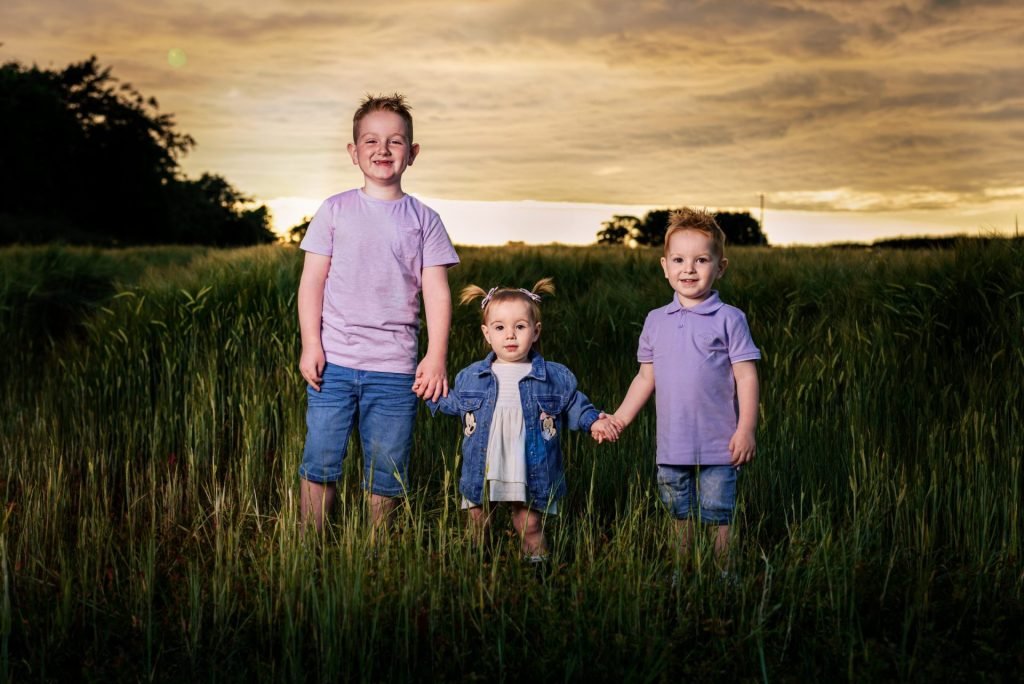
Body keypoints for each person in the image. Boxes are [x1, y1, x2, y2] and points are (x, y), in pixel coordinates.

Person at [297, 93, 459, 532]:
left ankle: (376, 552)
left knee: (387, 469)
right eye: (370, 141)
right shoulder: (335, 210)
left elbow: (437, 293)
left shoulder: (425, 220)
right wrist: (311, 343)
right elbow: (312, 282)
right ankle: (307, 543)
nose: (382, 150)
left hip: (395, 369)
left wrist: (435, 355)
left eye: (395, 141)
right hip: (333, 364)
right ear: (354, 152)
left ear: (413, 153)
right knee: (321, 460)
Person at [603, 208, 760, 564]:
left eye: (701, 260)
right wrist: (619, 420)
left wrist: (746, 429)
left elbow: (746, 376)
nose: (688, 269)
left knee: (719, 516)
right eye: (679, 260)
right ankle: (684, 574)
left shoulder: (730, 319)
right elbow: (646, 377)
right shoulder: (656, 321)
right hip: (672, 446)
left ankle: (722, 577)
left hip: (721, 444)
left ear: (720, 267)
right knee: (679, 516)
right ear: (664, 267)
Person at [427, 278, 618, 562]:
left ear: (536, 331)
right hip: (484, 464)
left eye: (520, 326)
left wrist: (594, 421)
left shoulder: (552, 376)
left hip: (528, 465)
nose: (510, 336)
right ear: (487, 333)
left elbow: (574, 404)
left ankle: (537, 571)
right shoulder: (472, 377)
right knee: (478, 520)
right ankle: (478, 569)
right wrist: (427, 389)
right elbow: (453, 403)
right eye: (500, 327)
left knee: (528, 523)